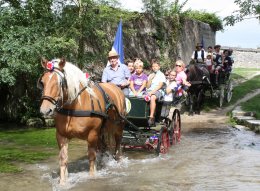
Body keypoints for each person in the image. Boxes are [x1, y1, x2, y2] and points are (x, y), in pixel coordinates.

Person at [146, 59, 166, 126]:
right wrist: (150, 79)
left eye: (156, 66)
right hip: (149, 91)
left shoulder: (161, 75)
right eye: (153, 66)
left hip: (158, 91)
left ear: (159, 67)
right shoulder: (151, 75)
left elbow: (160, 86)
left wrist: (152, 92)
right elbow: (148, 86)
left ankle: (151, 117)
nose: (154, 68)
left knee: (152, 97)